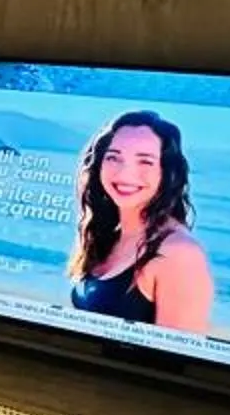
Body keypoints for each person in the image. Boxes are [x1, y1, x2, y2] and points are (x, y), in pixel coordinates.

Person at [67, 109, 214, 333]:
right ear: (99, 165)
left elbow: (175, 360)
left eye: (145, 161)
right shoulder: (109, 234)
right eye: (113, 157)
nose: (125, 173)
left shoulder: (179, 253)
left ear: (166, 173)